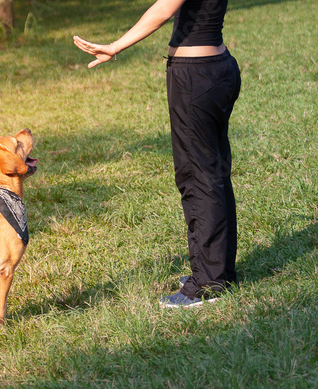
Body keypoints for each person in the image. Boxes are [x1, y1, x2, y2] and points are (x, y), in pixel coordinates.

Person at [74, 0, 241, 308]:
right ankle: (219, 272)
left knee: (198, 177)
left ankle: (207, 283)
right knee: (213, 173)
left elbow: (163, 9)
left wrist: (115, 46)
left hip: (196, 79)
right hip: (218, 69)